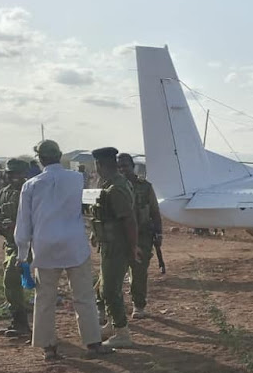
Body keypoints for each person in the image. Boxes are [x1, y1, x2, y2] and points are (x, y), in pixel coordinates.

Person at [14, 140, 113, 361]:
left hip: (45, 247)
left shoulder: (30, 185)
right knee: (84, 297)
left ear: (40, 159)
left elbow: (23, 224)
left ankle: (48, 348)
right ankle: (93, 343)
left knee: (45, 299)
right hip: (74, 245)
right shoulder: (77, 178)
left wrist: (22, 256)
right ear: (59, 156)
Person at [91, 147, 141, 347]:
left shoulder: (116, 188)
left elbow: (129, 219)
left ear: (100, 165)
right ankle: (113, 325)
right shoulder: (110, 184)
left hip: (117, 246)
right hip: (110, 244)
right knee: (104, 288)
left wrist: (133, 247)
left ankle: (122, 333)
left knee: (111, 290)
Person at [0, 159, 32, 337]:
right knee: (9, 282)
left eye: (17, 173)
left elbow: (30, 220)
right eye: (11, 173)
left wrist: (1, 225)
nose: (14, 177)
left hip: (28, 244)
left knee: (12, 278)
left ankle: (23, 324)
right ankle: (19, 321)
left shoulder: (29, 191)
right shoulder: (4, 192)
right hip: (11, 245)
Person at [116, 152, 162, 319]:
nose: (122, 170)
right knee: (115, 271)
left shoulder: (145, 187)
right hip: (118, 235)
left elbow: (155, 212)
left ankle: (138, 304)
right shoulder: (113, 187)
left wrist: (158, 233)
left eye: (125, 166)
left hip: (142, 235)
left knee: (139, 271)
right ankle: (112, 307)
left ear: (132, 167)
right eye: (119, 167)